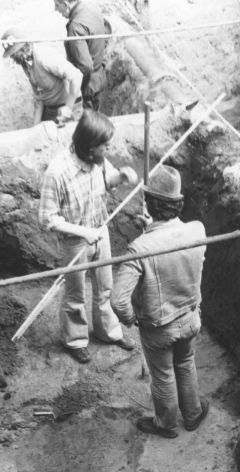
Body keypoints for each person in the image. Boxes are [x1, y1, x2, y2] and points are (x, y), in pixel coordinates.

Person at [112, 165, 209, 439]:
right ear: (178, 203)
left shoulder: (139, 248)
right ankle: (192, 415)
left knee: (163, 373)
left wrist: (133, 320)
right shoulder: (197, 230)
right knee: (185, 363)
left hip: (159, 327)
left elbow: (118, 301)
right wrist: (152, 229)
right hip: (190, 318)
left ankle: (166, 424)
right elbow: (170, 242)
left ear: (150, 204)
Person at [38, 110, 138, 363]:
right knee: (75, 295)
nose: (108, 149)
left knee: (105, 287)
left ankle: (108, 332)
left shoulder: (98, 161)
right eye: (105, 146)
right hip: (75, 240)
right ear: (91, 147)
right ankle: (75, 339)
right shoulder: (57, 173)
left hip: (99, 230)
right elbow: (47, 219)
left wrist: (122, 177)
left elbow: (106, 182)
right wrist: (84, 232)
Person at [1, 27, 83, 126]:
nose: (12, 57)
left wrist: (68, 107)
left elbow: (77, 76)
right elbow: (39, 99)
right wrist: (35, 129)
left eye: (14, 53)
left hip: (70, 107)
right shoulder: (25, 62)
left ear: (24, 46)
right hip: (51, 109)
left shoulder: (44, 56)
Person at [54, 0, 110, 111]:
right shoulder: (93, 9)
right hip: (99, 78)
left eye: (57, 5)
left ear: (66, 4)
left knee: (87, 124)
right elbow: (107, 33)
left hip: (88, 87)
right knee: (95, 118)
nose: (55, 9)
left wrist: (78, 88)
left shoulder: (75, 26)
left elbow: (86, 66)